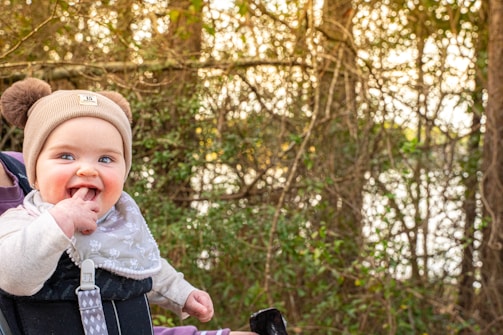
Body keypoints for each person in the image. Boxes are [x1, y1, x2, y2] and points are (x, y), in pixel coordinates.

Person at [0, 78, 257, 335]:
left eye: (106, 158)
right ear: (34, 170)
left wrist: (182, 294)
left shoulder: (119, 220)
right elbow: (14, 276)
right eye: (66, 156)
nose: (88, 169)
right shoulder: (22, 221)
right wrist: (59, 221)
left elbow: (142, 265)